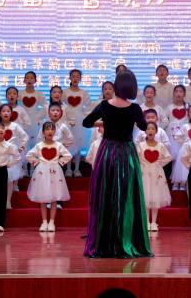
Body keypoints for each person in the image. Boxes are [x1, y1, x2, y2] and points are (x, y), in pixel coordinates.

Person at [82, 69, 152, 258]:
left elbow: (86, 122)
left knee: (105, 195)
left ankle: (104, 242)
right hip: (126, 154)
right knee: (126, 197)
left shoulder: (104, 105)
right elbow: (144, 126)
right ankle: (126, 240)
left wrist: (103, 123)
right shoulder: (135, 108)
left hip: (107, 153)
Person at [26, 121, 72, 232]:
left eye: (52, 129)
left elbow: (68, 155)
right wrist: (37, 162)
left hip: (55, 173)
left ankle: (52, 222)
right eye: (47, 129)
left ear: (55, 131)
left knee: (54, 198)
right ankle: (44, 222)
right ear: (43, 132)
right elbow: (29, 155)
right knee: (42, 198)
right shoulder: (39, 145)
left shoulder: (58, 145)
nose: (50, 131)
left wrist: (59, 162)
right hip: (42, 173)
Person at [137, 122, 172, 231]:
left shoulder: (160, 145)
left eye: (153, 129)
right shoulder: (141, 145)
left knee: (156, 196)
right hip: (144, 173)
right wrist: (142, 165)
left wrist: (159, 164)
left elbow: (168, 157)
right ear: (145, 131)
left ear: (156, 131)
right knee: (146, 198)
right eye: (148, 129)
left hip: (157, 174)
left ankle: (154, 223)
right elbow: (136, 158)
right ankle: (147, 222)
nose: (150, 131)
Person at [62, 69, 92, 177]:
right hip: (67, 121)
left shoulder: (84, 93)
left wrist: (83, 115)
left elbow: (89, 106)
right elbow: (61, 105)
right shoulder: (65, 92)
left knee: (78, 145)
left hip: (79, 122)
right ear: (70, 78)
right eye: (73, 76)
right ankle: (68, 169)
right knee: (68, 144)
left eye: (77, 76)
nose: (75, 78)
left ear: (80, 79)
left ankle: (77, 169)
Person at [19, 71, 48, 148]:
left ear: (35, 81)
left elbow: (46, 106)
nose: (29, 80)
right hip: (23, 120)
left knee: (36, 141)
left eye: (31, 78)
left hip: (35, 120)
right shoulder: (20, 93)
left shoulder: (39, 94)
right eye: (27, 78)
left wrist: (40, 116)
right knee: (23, 140)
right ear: (24, 80)